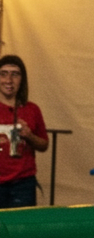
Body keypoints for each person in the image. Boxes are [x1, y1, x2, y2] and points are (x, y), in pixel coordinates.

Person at [0, 54, 49, 208]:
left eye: (15, 74)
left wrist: (29, 136)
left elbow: (44, 144)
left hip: (23, 182)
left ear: (22, 79)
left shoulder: (32, 109)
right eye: (3, 74)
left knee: (20, 229)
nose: (9, 80)